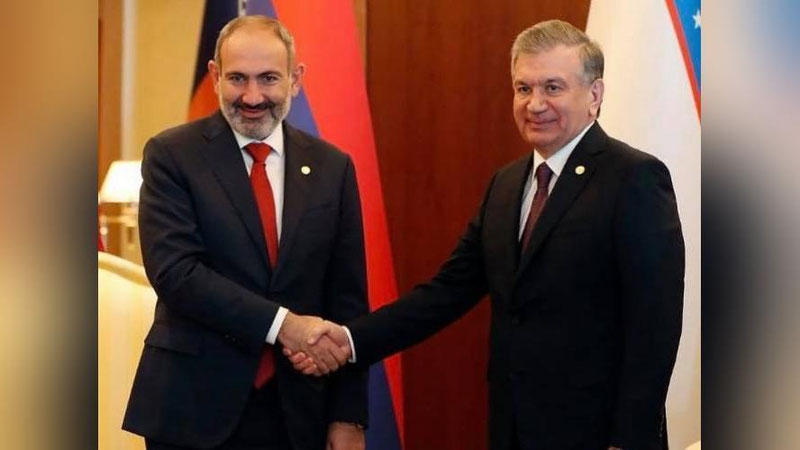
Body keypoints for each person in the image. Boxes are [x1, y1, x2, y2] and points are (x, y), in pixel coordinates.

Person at [288, 19, 684, 450]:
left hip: (599, 434)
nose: (535, 104)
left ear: (594, 95)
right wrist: (349, 340)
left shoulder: (634, 178)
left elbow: (655, 326)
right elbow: (446, 292)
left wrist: (629, 440)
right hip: (513, 428)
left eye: (553, 87)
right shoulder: (507, 185)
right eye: (523, 88)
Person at [122, 16, 367, 450]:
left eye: (269, 78)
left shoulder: (333, 167)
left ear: (295, 79)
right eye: (237, 78)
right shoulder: (171, 155)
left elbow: (348, 298)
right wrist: (284, 326)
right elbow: (177, 274)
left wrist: (348, 416)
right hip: (193, 407)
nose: (252, 97)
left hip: (298, 411)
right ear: (215, 76)